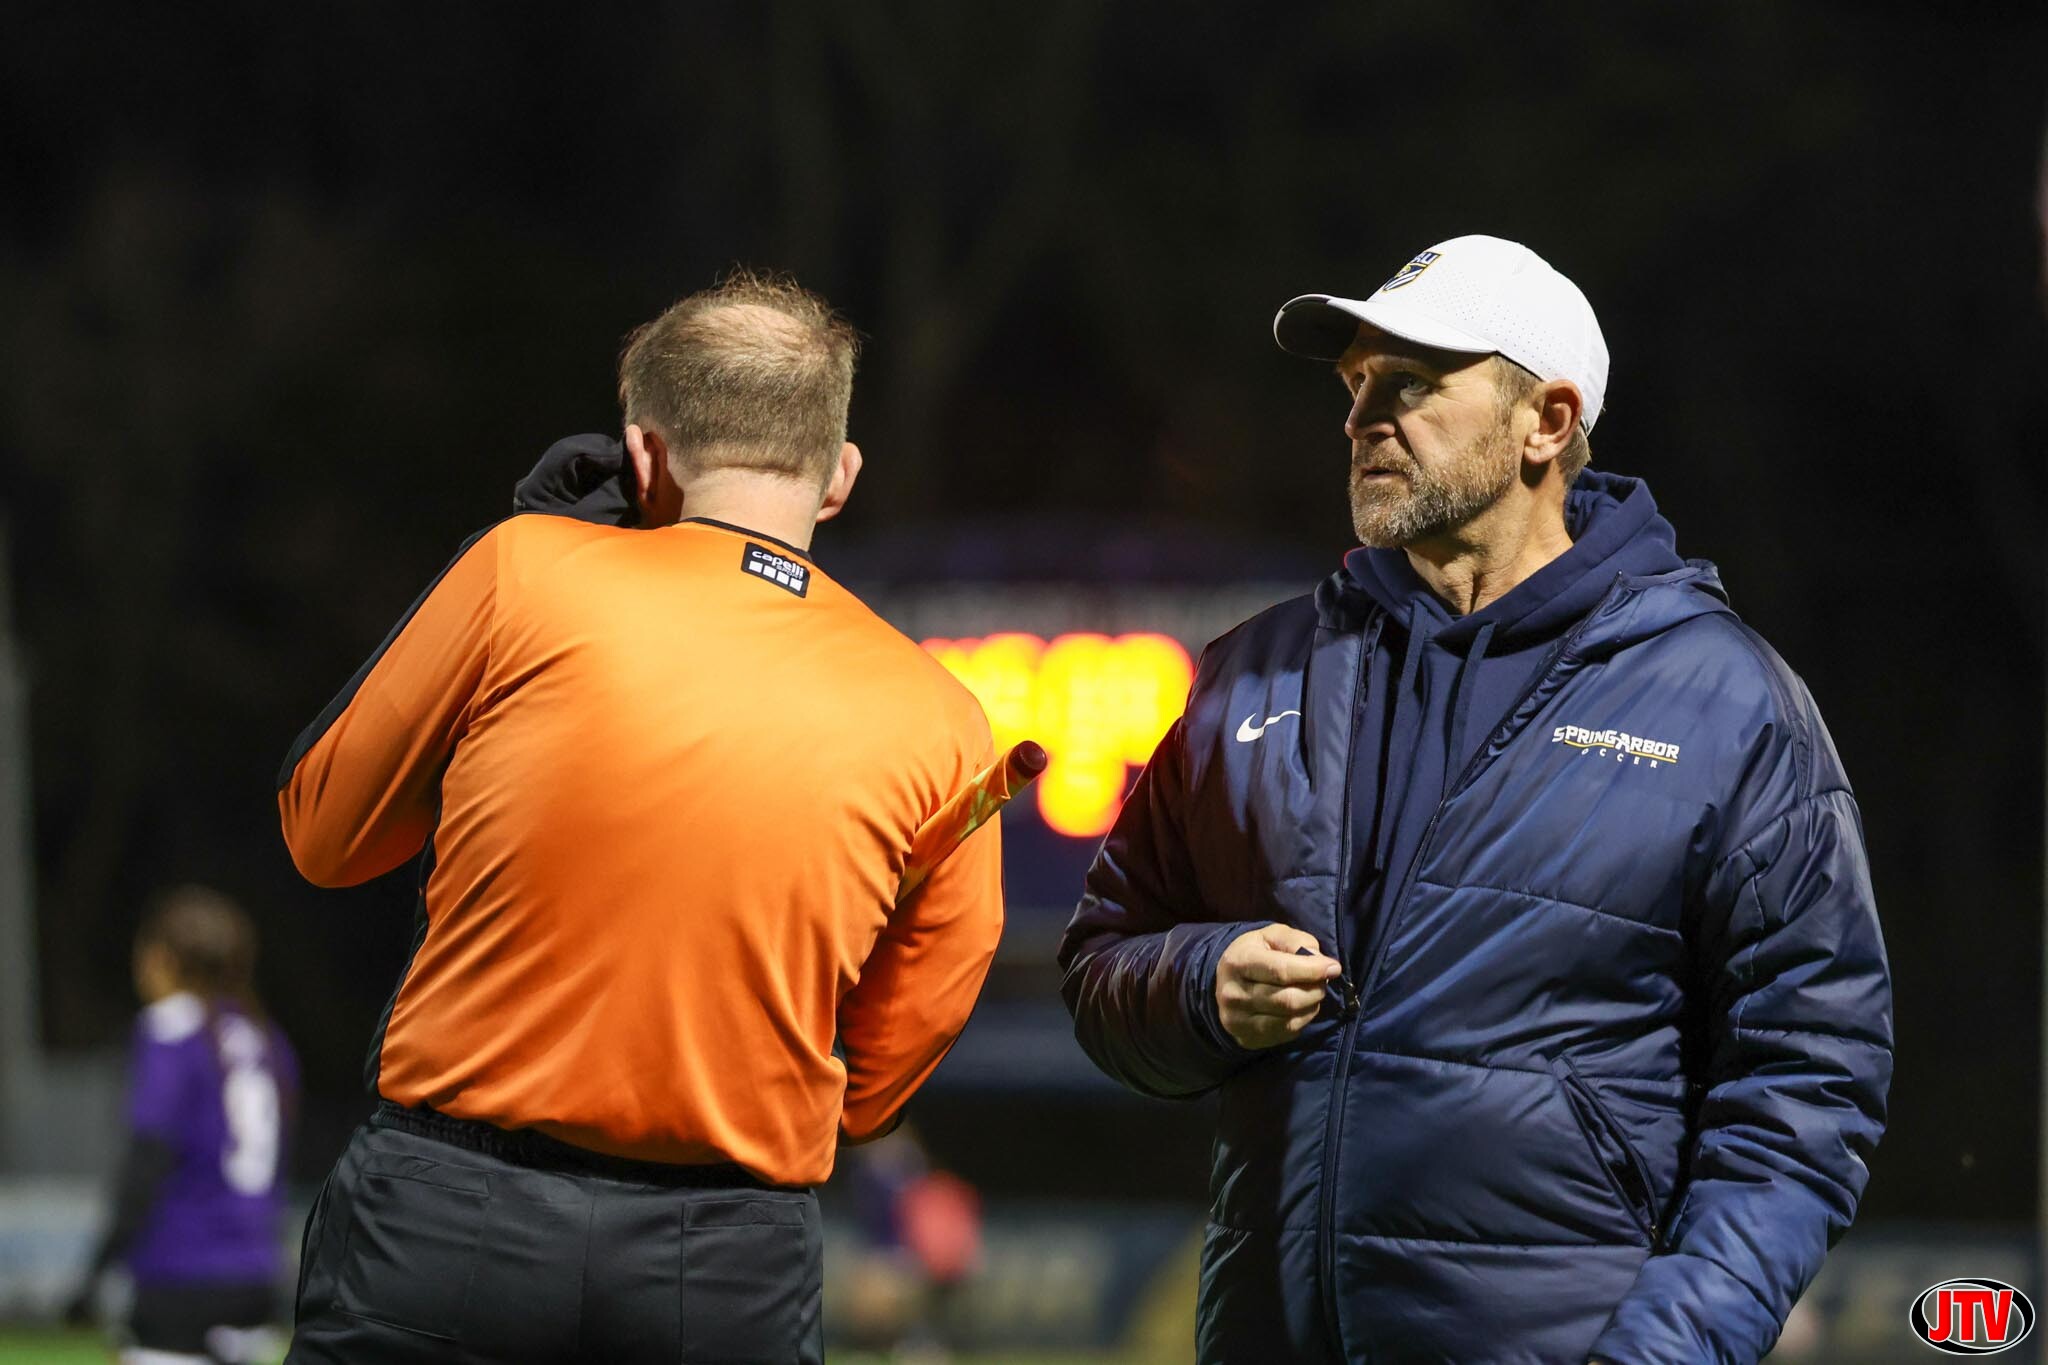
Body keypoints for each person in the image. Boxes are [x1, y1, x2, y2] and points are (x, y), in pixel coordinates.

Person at [1057, 235, 1891, 1364]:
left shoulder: (1724, 704)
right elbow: (1101, 963)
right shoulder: (1254, 674)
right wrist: (1201, 985)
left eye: (1409, 383)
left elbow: (1809, 1085)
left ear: (1547, 420)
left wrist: (1665, 1351)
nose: (1361, 419)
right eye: (1355, 383)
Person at [276, 270, 1005, 1363]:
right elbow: (893, 1059)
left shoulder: (523, 571)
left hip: (448, 1216)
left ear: (642, 455)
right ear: (840, 475)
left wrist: (551, 537)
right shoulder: (944, 720)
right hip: (728, 1256)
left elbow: (324, 833)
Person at [66, 885, 299, 1365]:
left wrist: (97, 1270)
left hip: (180, 1271)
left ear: (162, 959)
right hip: (257, 1275)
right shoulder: (267, 1039)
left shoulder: (171, 1026)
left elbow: (149, 1156)